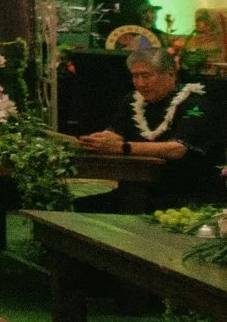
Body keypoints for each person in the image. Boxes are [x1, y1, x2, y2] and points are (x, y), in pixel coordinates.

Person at [80, 40, 225, 203]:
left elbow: (177, 149)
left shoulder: (195, 104)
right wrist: (97, 140)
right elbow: (116, 133)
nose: (140, 84)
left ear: (170, 74)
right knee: (76, 207)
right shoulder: (132, 100)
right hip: (137, 189)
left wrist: (123, 148)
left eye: (146, 76)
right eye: (135, 76)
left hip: (186, 195)